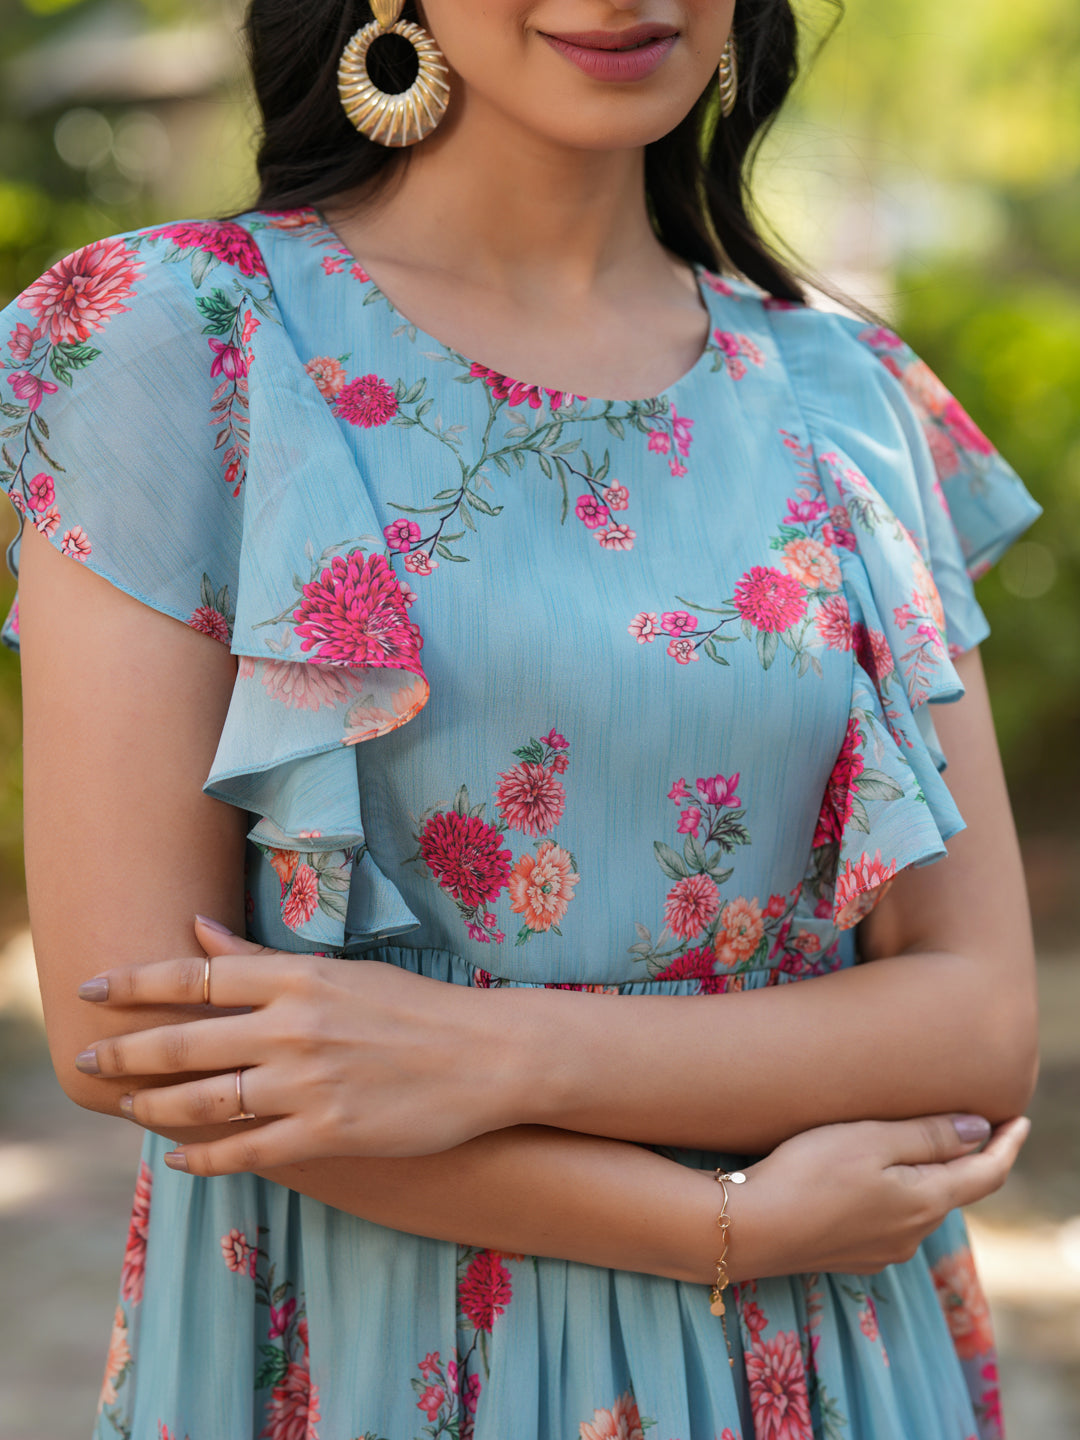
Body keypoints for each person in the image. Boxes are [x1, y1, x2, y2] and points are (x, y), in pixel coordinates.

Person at [2, 1, 1041, 1437]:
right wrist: (714, 1226)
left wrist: (496, 1054)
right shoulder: (176, 339)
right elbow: (149, 1042)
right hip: (377, 1342)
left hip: (832, 1338)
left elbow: (977, 1019)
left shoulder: (841, 393)